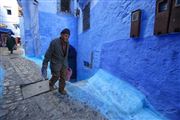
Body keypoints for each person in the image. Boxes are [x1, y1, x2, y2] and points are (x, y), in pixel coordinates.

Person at [41, 28, 70, 95]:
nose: (67, 38)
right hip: (55, 64)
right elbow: (48, 54)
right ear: (61, 35)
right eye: (66, 35)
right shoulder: (54, 42)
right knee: (56, 76)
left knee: (63, 77)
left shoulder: (67, 43)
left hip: (64, 64)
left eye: (68, 36)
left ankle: (61, 90)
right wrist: (45, 64)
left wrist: (66, 64)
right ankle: (51, 83)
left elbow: (65, 55)